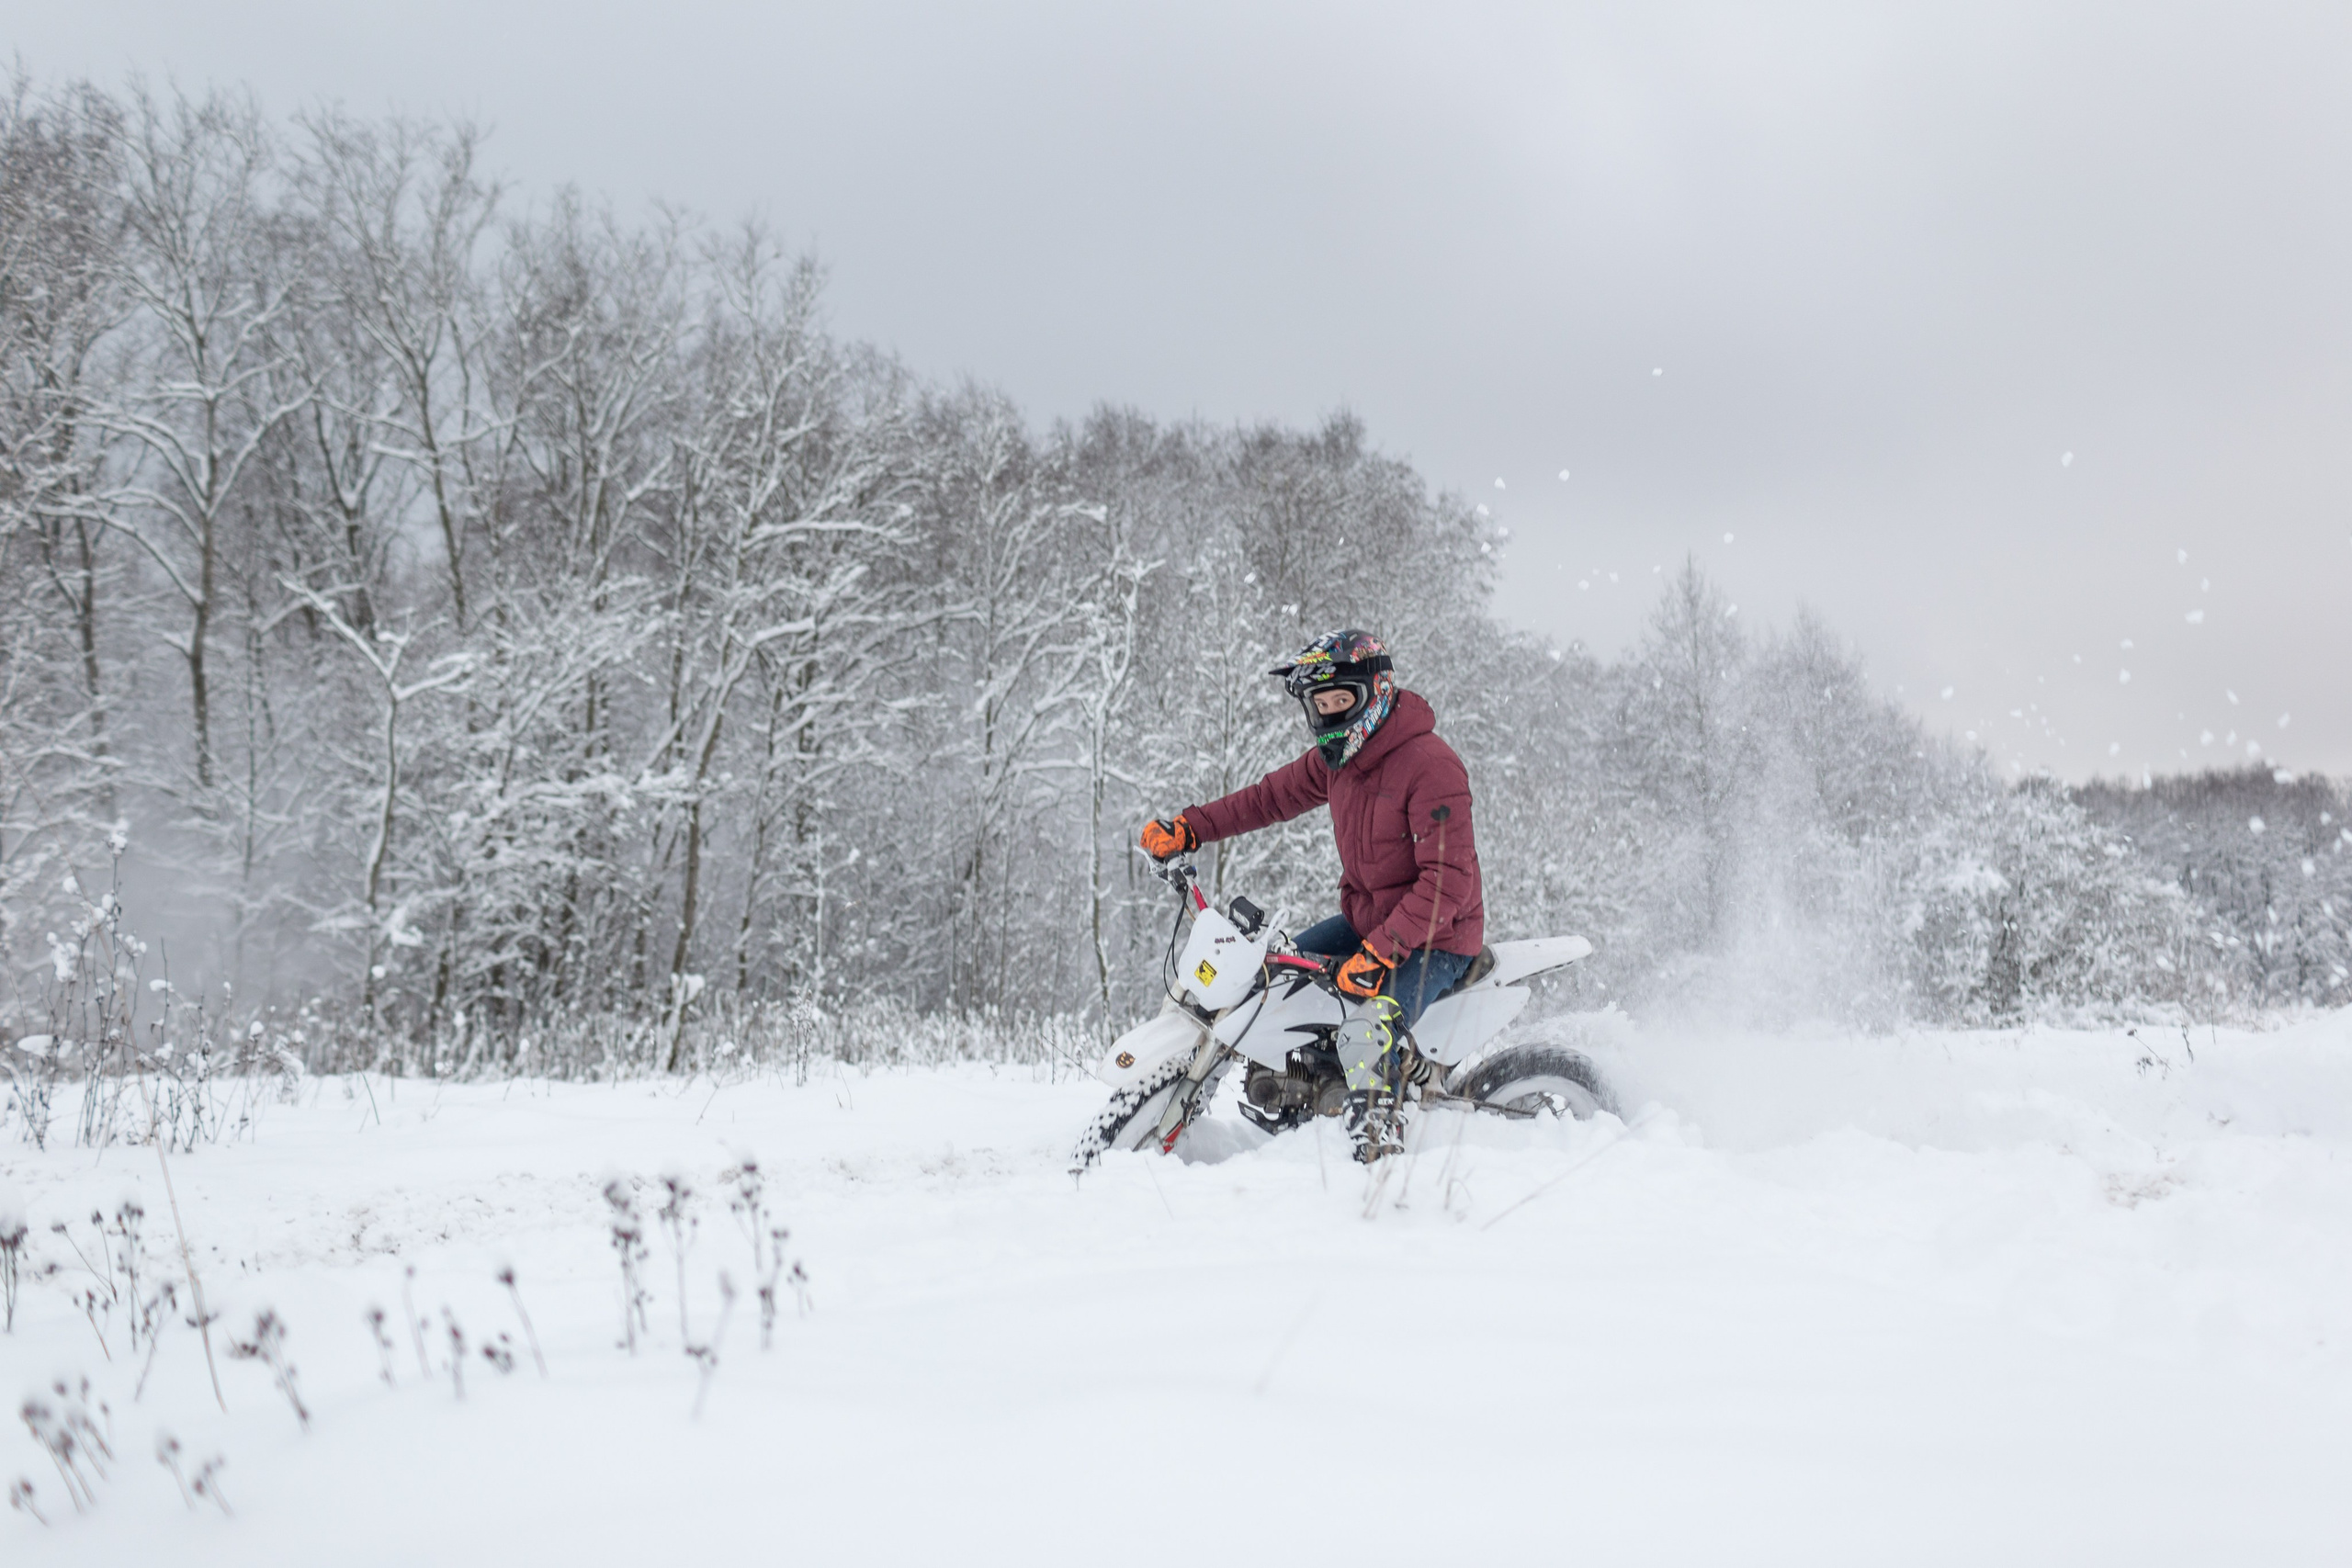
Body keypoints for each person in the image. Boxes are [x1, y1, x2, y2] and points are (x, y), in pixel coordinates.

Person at [1139, 628, 1482, 1161]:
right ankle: (1294, 1093)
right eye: (1320, 704)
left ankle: (1376, 1155)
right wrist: (1189, 827)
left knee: (1369, 1029)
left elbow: (1449, 883)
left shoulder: (1430, 767)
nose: (1330, 715)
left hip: (1438, 938)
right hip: (1370, 920)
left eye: (1341, 700)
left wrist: (1380, 953)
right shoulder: (1338, 761)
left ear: (1377, 692)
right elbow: (1265, 799)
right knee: (1269, 983)